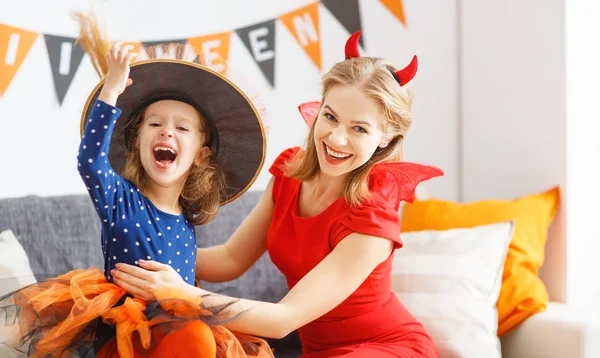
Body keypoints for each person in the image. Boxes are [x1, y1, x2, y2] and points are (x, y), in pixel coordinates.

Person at [112, 31, 443, 357]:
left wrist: (181, 293)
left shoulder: (373, 213)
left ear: (386, 137)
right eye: (330, 117)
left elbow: (285, 319)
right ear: (319, 109)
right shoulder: (289, 174)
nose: (336, 139)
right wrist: (147, 254)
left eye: (359, 128)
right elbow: (231, 258)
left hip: (387, 348)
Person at [0, 13, 273, 358]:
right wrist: (112, 89)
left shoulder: (187, 217)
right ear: (136, 144)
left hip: (180, 327)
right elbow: (90, 162)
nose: (167, 131)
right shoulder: (121, 200)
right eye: (155, 123)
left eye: (182, 128)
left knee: (199, 338)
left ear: (201, 156)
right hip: (129, 332)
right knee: (192, 338)